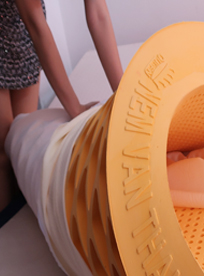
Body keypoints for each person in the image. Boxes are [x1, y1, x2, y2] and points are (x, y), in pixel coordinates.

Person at [0, 0, 122, 212]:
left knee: (21, 145)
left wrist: (124, 95)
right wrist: (76, 110)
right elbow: (36, 24)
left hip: (20, 30)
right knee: (2, 156)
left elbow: (98, 13)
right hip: (28, 22)